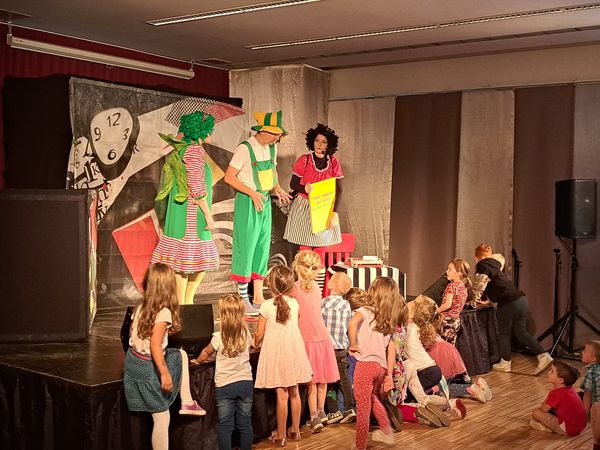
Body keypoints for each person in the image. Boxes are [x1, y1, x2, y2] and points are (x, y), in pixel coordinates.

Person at [123, 263, 205, 450]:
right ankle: (186, 402)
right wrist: (164, 373)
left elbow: (134, 334)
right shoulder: (163, 312)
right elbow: (154, 345)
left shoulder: (141, 306)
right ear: (169, 287)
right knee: (162, 417)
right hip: (146, 366)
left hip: (133, 361)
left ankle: (187, 402)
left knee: (180, 354)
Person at [224, 111, 292, 315]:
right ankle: (243, 298)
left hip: (264, 200)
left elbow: (272, 170)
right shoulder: (244, 149)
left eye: (279, 135)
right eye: (275, 134)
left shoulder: (271, 147)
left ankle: (258, 295)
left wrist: (276, 187)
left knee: (262, 247)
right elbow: (229, 177)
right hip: (248, 201)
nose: (277, 138)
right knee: (246, 248)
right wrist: (252, 193)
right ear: (263, 131)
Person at [152, 112, 220, 304]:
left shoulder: (183, 150)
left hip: (182, 210)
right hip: (192, 212)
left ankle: (186, 303)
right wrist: (208, 216)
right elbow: (197, 188)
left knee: (188, 261)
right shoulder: (194, 151)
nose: (211, 134)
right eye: (209, 130)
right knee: (186, 260)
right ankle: (183, 304)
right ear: (200, 131)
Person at [471, 244, 553, 375]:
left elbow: (480, 284)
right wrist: (490, 301)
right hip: (521, 300)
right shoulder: (496, 265)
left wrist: (472, 302)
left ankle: (505, 363)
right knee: (521, 331)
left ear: (476, 257)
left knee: (504, 333)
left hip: (508, 304)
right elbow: (499, 286)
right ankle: (543, 356)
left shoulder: (483, 265)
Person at [254, 265, 313, 446]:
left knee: (282, 395)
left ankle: (281, 435)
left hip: (277, 353)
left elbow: (259, 333)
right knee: (294, 392)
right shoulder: (294, 304)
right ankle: (295, 430)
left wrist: (255, 342)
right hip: (293, 351)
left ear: (270, 285)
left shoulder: (266, 306)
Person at [192, 294, 253, 450]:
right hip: (245, 383)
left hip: (225, 386)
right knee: (245, 423)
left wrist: (198, 361)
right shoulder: (245, 334)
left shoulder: (218, 337)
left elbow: (206, 352)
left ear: (222, 315)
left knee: (225, 425)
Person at [348, 277, 403, 450]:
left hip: (365, 365)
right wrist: (388, 374)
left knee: (362, 407)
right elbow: (391, 348)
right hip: (380, 367)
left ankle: (360, 445)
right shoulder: (389, 319)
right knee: (372, 398)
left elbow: (352, 323)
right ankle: (386, 431)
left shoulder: (365, 311)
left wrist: (353, 343)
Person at [292, 250, 340, 433]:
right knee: (322, 378)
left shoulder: (294, 288)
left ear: (297, 267)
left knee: (312, 380)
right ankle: (321, 411)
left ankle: (314, 415)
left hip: (307, 337)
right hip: (322, 336)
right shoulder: (316, 287)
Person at [416, 296, 491, 404]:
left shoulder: (419, 327)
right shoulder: (432, 323)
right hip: (448, 351)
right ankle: (475, 385)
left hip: (437, 356)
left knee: (440, 389)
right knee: (446, 383)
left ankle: (469, 390)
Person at [283, 123, 344, 253]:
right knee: (304, 247)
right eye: (317, 140)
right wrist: (304, 188)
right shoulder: (304, 160)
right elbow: (293, 184)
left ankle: (318, 267)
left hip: (323, 207)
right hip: (304, 205)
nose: (319, 144)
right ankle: (304, 267)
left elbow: (338, 190)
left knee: (321, 246)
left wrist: (333, 212)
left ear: (329, 145)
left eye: (323, 142)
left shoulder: (333, 162)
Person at [321, 272, 356, 424]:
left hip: (327, 348)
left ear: (330, 284)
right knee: (344, 379)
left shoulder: (323, 303)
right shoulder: (346, 305)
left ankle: (333, 410)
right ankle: (349, 408)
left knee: (329, 381)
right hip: (342, 348)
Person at [530, 360, 586, 436]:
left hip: (569, 428)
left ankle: (549, 428)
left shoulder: (557, 393)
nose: (548, 372)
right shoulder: (570, 389)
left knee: (536, 413)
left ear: (560, 380)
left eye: (552, 371)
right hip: (579, 427)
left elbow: (543, 410)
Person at [437, 258, 471, 345]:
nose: (447, 271)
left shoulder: (451, 286)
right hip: (455, 321)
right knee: (450, 346)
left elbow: (447, 305)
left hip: (446, 321)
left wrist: (436, 311)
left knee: (442, 346)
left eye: (450, 269)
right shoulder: (463, 287)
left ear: (459, 273)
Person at [580, 340, 600, 417]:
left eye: (585, 351)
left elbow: (587, 396)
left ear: (593, 358)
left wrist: (585, 415)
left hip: (596, 409)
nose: (582, 352)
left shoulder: (591, 373)